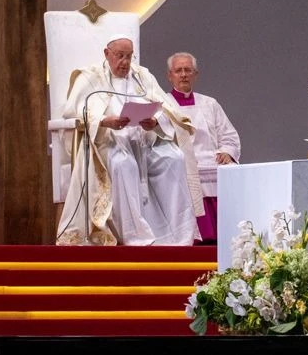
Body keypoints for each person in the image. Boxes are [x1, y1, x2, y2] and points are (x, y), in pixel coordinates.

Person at [57, 37, 202, 246]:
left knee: (174, 158)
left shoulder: (142, 75)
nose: (125, 62)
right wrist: (106, 121)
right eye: (120, 56)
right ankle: (135, 237)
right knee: (123, 165)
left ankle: (177, 236)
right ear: (107, 54)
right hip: (110, 141)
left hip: (144, 140)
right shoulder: (90, 77)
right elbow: (74, 111)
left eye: (129, 56)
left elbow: (165, 107)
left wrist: (154, 122)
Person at [165, 52, 240, 244]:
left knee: (231, 170)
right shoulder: (164, 104)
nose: (183, 75)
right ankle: (194, 236)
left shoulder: (210, 103)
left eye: (188, 70)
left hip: (211, 158)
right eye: (178, 70)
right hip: (182, 159)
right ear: (169, 75)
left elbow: (229, 135)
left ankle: (228, 232)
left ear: (195, 74)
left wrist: (227, 152)